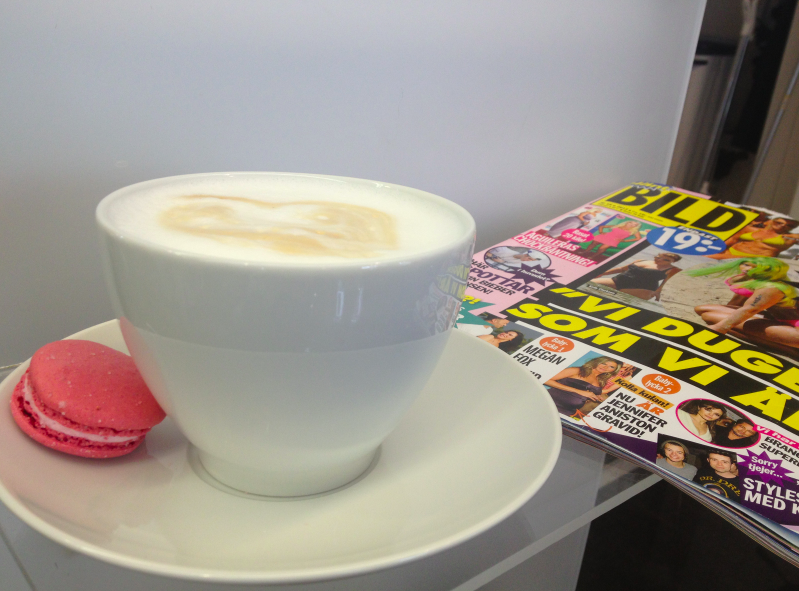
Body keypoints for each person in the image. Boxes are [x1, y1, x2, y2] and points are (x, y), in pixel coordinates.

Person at [688, 258, 799, 353]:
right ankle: (783, 342)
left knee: (710, 316)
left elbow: (750, 309)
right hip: (782, 319)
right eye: (746, 264)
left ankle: (789, 350)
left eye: (754, 267)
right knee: (702, 309)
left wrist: (720, 327)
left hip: (796, 329)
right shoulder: (760, 280)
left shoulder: (772, 288)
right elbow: (738, 290)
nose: (747, 268)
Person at [544, 356, 620, 417]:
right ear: (597, 362)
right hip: (550, 403)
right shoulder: (577, 370)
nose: (605, 367)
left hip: (569, 411)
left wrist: (596, 396)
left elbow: (587, 391)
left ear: (614, 370)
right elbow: (546, 380)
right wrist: (579, 391)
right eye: (603, 363)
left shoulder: (600, 381)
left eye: (611, 367)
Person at [591, 253, 682, 301]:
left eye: (666, 260)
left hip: (642, 289)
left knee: (617, 300)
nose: (660, 260)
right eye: (659, 257)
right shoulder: (641, 260)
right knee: (589, 284)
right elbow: (621, 269)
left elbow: (666, 283)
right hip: (618, 281)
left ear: (672, 261)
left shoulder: (673, 269)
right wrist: (602, 273)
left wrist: (657, 293)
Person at [708, 216, 799, 259]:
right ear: (772, 221)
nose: (783, 225)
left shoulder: (789, 238)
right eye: (779, 222)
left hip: (757, 259)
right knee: (707, 255)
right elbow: (733, 239)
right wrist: (719, 249)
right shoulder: (749, 229)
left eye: (789, 225)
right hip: (732, 253)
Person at [581, 220, 646, 259]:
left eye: (635, 225)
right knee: (593, 243)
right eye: (631, 223)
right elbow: (601, 226)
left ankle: (593, 256)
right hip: (606, 236)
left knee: (601, 248)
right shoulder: (618, 225)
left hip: (614, 240)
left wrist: (625, 240)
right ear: (627, 222)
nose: (632, 225)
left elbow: (638, 238)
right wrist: (601, 232)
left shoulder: (634, 231)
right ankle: (585, 251)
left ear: (636, 226)